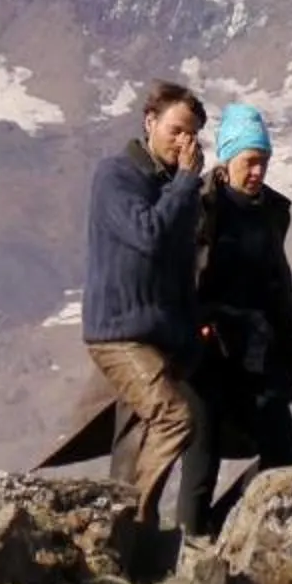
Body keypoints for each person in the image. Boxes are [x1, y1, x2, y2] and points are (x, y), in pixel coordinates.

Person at [83, 79, 211, 535]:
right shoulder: (117, 176)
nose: (184, 143)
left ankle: (120, 535)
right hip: (120, 331)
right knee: (175, 417)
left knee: (135, 439)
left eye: (192, 135)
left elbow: (182, 267)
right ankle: (138, 520)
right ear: (150, 122)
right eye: (176, 130)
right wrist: (182, 186)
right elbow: (147, 237)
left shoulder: (173, 187)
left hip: (160, 336)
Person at [195, 102, 292, 522]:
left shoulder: (271, 215)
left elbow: (278, 285)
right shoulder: (203, 210)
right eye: (250, 161)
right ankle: (188, 541)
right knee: (201, 458)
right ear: (227, 161)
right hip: (211, 353)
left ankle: (221, 524)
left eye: (264, 162)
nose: (258, 172)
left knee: (282, 450)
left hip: (262, 356)